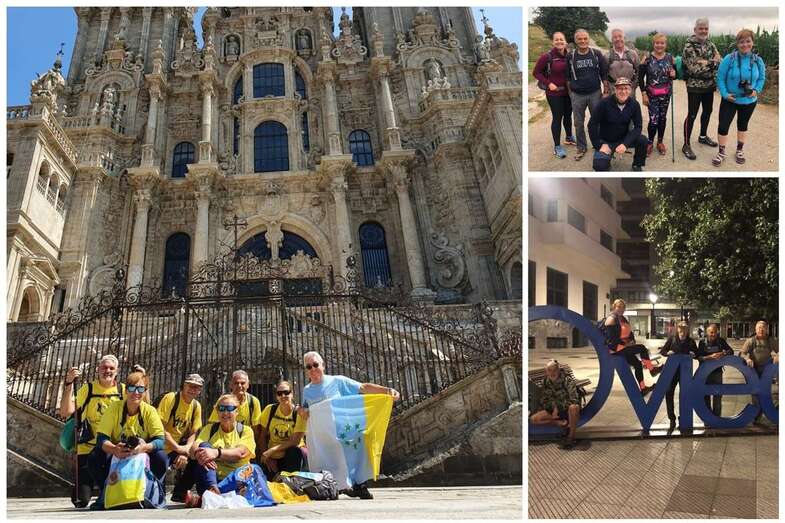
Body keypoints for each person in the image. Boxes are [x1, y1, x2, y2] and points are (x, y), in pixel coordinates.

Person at [299, 351, 400, 499]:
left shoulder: (337, 381)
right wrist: (302, 411)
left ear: (323, 366)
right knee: (329, 460)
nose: (313, 369)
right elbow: (304, 409)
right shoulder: (306, 390)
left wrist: (387, 390)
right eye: (309, 367)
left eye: (315, 365)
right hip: (325, 438)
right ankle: (338, 487)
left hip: (344, 433)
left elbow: (363, 388)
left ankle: (360, 485)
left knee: (355, 455)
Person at [87, 366, 166, 510]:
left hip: (142, 452)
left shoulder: (150, 411)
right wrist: (114, 449)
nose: (136, 393)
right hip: (117, 452)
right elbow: (101, 438)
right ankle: (106, 491)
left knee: (161, 457)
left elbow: (160, 441)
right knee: (94, 457)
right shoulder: (114, 408)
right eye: (132, 388)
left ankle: (152, 491)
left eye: (141, 389)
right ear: (125, 390)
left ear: (145, 392)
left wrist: (144, 447)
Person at [59, 355, 125, 508]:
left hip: (112, 448)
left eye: (111, 368)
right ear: (98, 369)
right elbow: (65, 411)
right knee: (80, 500)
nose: (107, 371)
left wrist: (143, 380)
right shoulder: (88, 388)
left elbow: (143, 408)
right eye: (104, 367)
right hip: (88, 447)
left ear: (117, 371)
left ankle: (106, 492)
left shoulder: (122, 390)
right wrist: (69, 384)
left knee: (115, 494)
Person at [184, 394, 257, 507]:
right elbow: (194, 448)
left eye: (229, 409)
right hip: (211, 478)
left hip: (236, 480)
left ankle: (206, 498)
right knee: (204, 447)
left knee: (252, 470)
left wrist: (216, 453)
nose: (225, 412)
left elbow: (241, 453)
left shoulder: (245, 431)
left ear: (237, 411)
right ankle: (213, 490)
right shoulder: (210, 429)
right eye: (221, 408)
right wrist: (200, 454)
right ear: (217, 411)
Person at [713, 28, 766, 167]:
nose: (745, 44)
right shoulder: (728, 59)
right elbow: (720, 78)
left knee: (743, 125)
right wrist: (725, 94)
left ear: (752, 42)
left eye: (748, 41)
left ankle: (739, 150)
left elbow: (761, 78)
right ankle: (721, 152)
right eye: (741, 42)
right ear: (737, 44)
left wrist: (756, 90)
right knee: (723, 126)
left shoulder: (757, 60)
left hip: (749, 101)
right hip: (730, 99)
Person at [156, 374, 204, 503]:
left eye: (197, 387)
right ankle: (157, 495)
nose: (193, 389)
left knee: (198, 458)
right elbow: (160, 429)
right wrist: (178, 448)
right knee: (160, 460)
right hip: (162, 444)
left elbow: (194, 433)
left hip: (179, 446)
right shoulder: (171, 398)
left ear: (200, 390)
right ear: (183, 385)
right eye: (190, 386)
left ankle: (180, 493)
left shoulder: (196, 406)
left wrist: (187, 450)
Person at [587, 77, 648, 172]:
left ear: (630, 90)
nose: (623, 91)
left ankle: (637, 164)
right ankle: (606, 159)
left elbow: (638, 127)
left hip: (623, 138)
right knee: (599, 166)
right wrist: (599, 145)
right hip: (606, 140)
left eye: (626, 88)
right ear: (615, 89)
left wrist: (625, 143)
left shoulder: (634, 104)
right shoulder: (604, 103)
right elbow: (592, 124)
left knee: (643, 140)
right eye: (620, 88)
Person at [566, 29, 609, 161]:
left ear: (588, 39)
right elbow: (567, 77)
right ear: (575, 40)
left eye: (585, 38)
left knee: (598, 121)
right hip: (577, 95)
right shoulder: (570, 56)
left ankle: (599, 144)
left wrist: (606, 90)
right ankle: (581, 147)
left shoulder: (596, 54)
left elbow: (604, 74)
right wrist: (571, 94)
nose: (583, 41)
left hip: (595, 93)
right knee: (578, 123)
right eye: (580, 39)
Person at [681, 18, 721, 160]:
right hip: (694, 86)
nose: (704, 31)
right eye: (701, 28)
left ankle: (703, 136)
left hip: (709, 86)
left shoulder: (711, 44)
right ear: (695, 29)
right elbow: (694, 69)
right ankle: (686, 144)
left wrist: (706, 63)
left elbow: (720, 60)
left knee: (707, 112)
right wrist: (712, 62)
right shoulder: (689, 46)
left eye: (706, 29)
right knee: (692, 114)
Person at [603, 299, 662, 395]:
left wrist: (632, 340)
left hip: (624, 348)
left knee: (638, 365)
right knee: (642, 348)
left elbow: (629, 332)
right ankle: (651, 369)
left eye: (623, 307)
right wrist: (625, 343)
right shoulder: (611, 319)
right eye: (619, 307)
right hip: (616, 349)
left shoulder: (623, 318)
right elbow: (611, 339)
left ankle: (643, 388)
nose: (621, 309)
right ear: (614, 307)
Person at [532, 31, 576, 159]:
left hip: (568, 92)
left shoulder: (570, 56)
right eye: (556, 40)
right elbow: (536, 73)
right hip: (554, 93)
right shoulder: (547, 57)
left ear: (565, 42)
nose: (559, 42)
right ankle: (557, 146)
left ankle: (569, 137)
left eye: (561, 39)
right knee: (557, 117)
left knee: (568, 115)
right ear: (553, 42)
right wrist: (548, 83)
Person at [258, 380, 307, 479]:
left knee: (294, 451)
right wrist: (267, 458)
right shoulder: (270, 410)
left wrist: (272, 450)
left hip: (291, 457)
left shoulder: (298, 413)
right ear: (276, 396)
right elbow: (262, 436)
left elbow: (295, 441)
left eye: (286, 392)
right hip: (273, 457)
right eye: (279, 393)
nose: (283, 396)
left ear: (292, 394)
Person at [207, 369, 262, 456]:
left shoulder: (253, 402)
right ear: (231, 385)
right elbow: (213, 424)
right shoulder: (223, 401)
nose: (240, 386)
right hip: (224, 443)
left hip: (243, 442)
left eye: (243, 383)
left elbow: (256, 429)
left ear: (248, 385)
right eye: (236, 383)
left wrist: (251, 446)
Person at [528, 360, 580, 449]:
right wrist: (553, 408)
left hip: (566, 410)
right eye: (549, 370)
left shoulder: (567, 381)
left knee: (574, 407)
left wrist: (558, 408)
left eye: (554, 370)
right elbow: (544, 400)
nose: (552, 373)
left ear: (558, 370)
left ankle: (571, 438)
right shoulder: (545, 382)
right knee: (533, 419)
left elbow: (574, 399)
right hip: (553, 411)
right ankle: (558, 423)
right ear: (546, 371)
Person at [639, 34, 676, 156]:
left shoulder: (670, 58)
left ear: (666, 44)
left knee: (662, 119)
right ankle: (650, 142)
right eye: (657, 43)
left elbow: (675, 75)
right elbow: (640, 78)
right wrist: (644, 94)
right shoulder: (647, 58)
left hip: (665, 95)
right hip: (652, 95)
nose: (659, 45)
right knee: (653, 120)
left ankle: (660, 142)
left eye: (662, 43)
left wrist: (673, 74)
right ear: (653, 44)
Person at [659, 322, 697, 428]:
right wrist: (667, 353)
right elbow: (663, 351)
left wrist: (694, 354)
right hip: (672, 371)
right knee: (669, 392)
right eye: (681, 329)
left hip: (685, 372)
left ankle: (682, 417)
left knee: (684, 394)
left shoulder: (691, 341)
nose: (683, 331)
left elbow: (697, 353)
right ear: (678, 329)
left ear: (687, 330)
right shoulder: (672, 339)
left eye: (685, 329)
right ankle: (672, 418)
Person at [740, 320, 778, 423]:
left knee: (765, 392)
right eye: (759, 328)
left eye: (763, 328)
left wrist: (778, 355)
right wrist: (747, 359)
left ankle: (765, 412)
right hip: (754, 370)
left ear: (766, 329)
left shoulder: (771, 340)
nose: (761, 330)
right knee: (755, 393)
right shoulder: (751, 341)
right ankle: (756, 415)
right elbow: (742, 353)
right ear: (755, 329)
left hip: (766, 370)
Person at [695, 324, 734, 417]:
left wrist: (723, 353)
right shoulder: (702, 343)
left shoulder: (721, 341)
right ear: (707, 332)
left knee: (718, 396)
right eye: (711, 332)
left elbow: (731, 351)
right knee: (705, 396)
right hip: (705, 374)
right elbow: (699, 357)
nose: (713, 334)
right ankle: (707, 418)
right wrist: (710, 357)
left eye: (715, 332)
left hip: (717, 373)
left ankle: (717, 418)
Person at [607, 28, 639, 100]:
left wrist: (633, 86)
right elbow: (604, 74)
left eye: (620, 36)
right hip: (613, 92)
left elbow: (638, 71)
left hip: (629, 92)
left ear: (624, 38)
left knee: (630, 110)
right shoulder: (607, 56)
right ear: (612, 40)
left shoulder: (633, 54)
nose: (618, 39)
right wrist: (608, 88)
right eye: (615, 37)